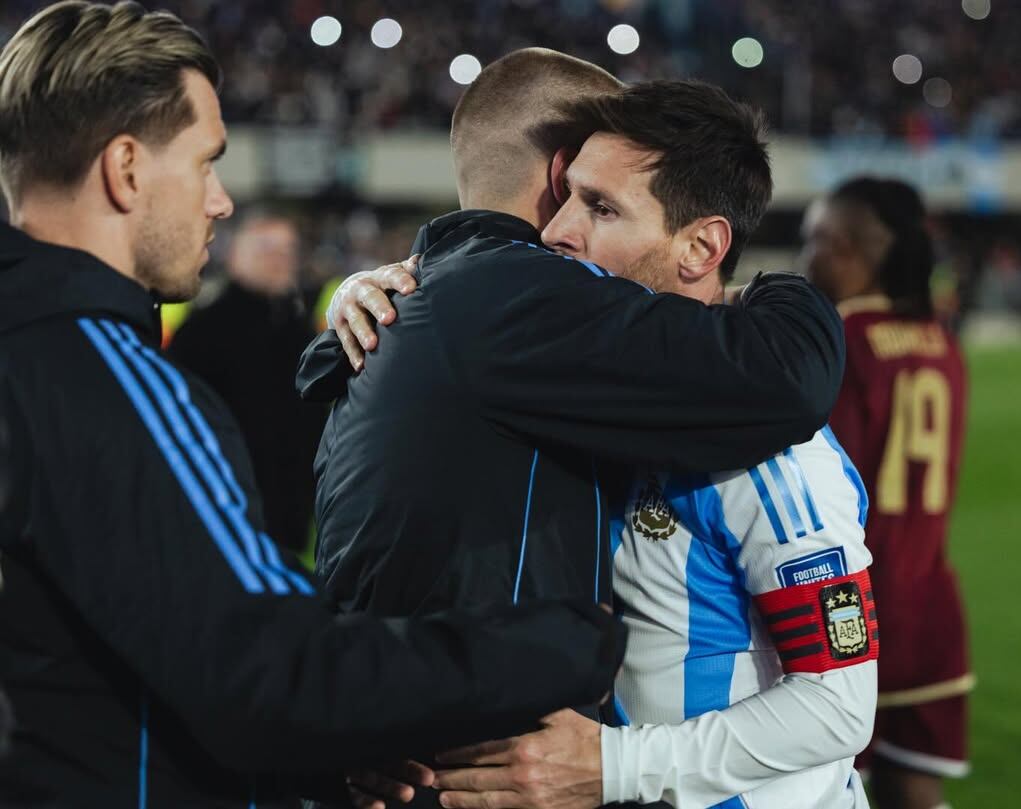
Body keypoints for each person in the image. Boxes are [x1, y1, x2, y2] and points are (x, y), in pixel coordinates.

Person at [0, 4, 625, 806]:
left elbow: (121, 667)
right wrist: (565, 640)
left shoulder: (27, 354)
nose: (220, 201)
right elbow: (271, 669)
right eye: (205, 162)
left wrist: (330, 753)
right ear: (126, 169)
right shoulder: (108, 381)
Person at [348, 81, 879, 809]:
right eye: (566, 196)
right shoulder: (581, 398)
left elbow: (840, 705)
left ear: (701, 246)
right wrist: (392, 294)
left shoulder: (772, 450)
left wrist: (614, 764)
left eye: (601, 208)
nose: (557, 231)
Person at [800, 177, 971, 809]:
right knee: (916, 787)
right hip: (930, 605)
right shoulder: (942, 340)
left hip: (847, 608)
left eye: (812, 240)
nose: (804, 257)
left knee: (821, 790)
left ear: (843, 247)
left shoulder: (839, 340)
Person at [169, 210, 324, 553]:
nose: (280, 259)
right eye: (267, 248)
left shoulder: (297, 328)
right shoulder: (203, 331)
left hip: (290, 512)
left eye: (288, 249)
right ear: (236, 254)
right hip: (226, 514)